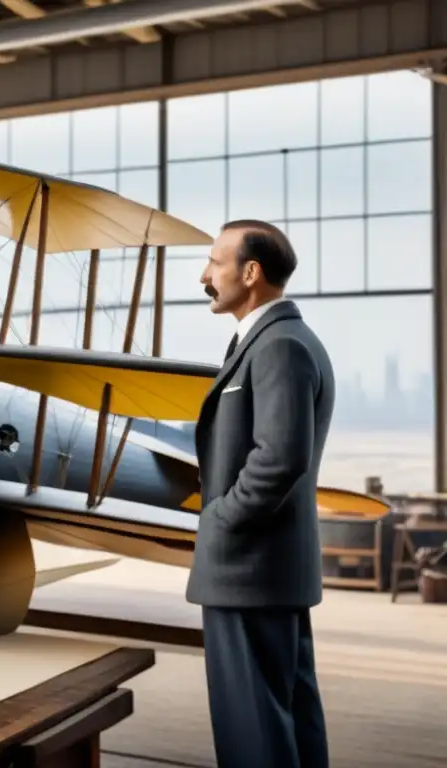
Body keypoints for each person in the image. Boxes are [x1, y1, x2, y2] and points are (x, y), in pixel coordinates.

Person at [186, 219, 333, 768]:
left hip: (250, 569)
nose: (205, 274)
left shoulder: (279, 347)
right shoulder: (277, 341)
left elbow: (279, 456)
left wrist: (221, 517)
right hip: (267, 571)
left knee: (252, 726)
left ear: (250, 273)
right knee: (287, 714)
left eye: (214, 262)